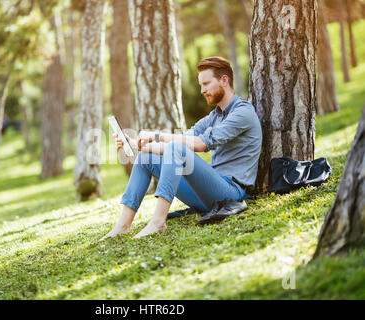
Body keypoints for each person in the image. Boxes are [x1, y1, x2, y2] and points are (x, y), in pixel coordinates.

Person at [99, 56, 262, 241]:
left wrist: (155, 134)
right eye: (201, 85)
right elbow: (183, 142)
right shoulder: (214, 117)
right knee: (146, 157)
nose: (202, 90)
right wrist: (136, 143)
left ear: (224, 80)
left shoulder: (243, 112)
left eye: (206, 84)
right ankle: (123, 226)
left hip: (232, 193)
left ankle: (158, 222)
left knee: (177, 148)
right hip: (207, 193)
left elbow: (199, 145)